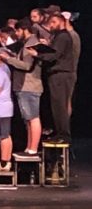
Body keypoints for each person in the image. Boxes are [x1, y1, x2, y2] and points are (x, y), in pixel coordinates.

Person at [3, 19, 43, 156]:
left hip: (29, 85)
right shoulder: (26, 43)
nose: (17, 34)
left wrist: (7, 59)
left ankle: (33, 148)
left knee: (33, 117)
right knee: (28, 119)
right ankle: (29, 147)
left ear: (24, 29)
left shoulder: (31, 43)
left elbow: (26, 66)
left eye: (18, 31)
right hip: (24, 86)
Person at [36, 12, 75, 143]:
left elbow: (54, 55)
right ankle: (60, 133)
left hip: (61, 75)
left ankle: (64, 135)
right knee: (56, 105)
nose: (51, 25)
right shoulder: (58, 37)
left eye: (53, 22)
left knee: (60, 105)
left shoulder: (63, 36)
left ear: (61, 21)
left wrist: (37, 53)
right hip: (57, 74)